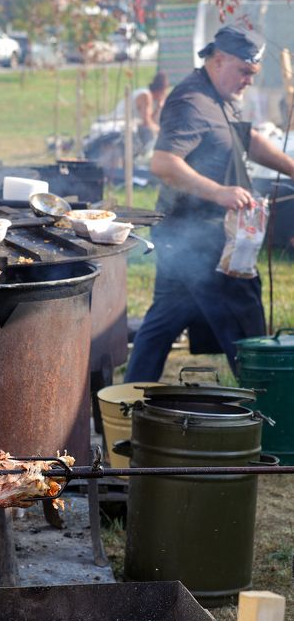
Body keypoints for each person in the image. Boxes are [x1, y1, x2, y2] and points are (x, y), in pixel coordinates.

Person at [125, 25, 294, 383]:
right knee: (245, 326)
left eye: (254, 73)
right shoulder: (192, 101)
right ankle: (269, 405)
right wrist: (219, 192)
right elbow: (163, 163)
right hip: (204, 239)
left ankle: (132, 401)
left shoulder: (220, 96)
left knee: (161, 325)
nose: (249, 80)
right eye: (245, 71)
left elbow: (245, 138)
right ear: (219, 60)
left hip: (188, 240)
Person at [133, 71, 168, 152]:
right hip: (120, 128)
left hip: (129, 127)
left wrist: (158, 107)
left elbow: (149, 118)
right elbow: (147, 123)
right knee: (150, 136)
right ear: (161, 90)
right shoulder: (145, 96)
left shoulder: (146, 93)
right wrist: (163, 132)